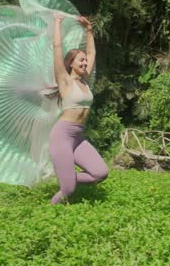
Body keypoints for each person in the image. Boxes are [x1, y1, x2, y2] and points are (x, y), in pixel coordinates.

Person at [48, 14, 108, 204]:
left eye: (84, 61)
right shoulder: (65, 81)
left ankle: (65, 177)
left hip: (78, 136)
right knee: (68, 190)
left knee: (100, 173)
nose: (84, 63)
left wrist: (89, 29)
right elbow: (57, 48)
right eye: (80, 61)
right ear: (71, 63)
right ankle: (50, 211)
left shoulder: (85, 81)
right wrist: (57, 22)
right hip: (62, 136)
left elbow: (92, 54)